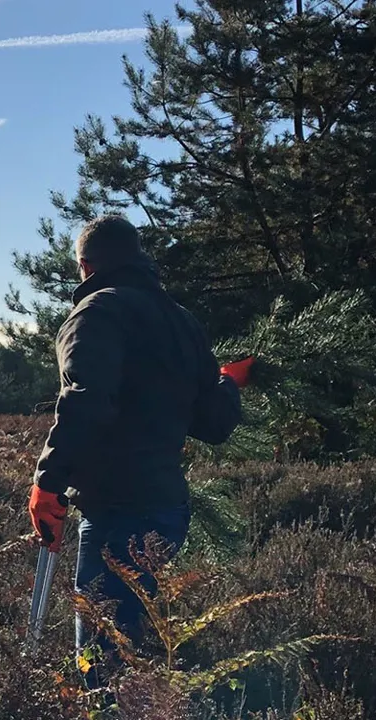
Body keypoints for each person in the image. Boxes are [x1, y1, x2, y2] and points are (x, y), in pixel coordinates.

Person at [26, 214, 251, 688]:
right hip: (169, 511)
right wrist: (229, 381)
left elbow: (85, 401)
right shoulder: (181, 321)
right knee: (128, 640)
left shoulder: (96, 313)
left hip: (119, 510)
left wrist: (47, 482)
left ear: (85, 267)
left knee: (103, 667)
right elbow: (214, 423)